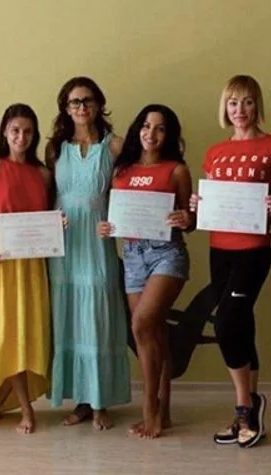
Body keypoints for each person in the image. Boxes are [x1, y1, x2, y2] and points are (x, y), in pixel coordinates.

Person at [189, 75, 271, 448]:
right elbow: (212, 203)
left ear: (257, 105)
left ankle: (244, 406)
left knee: (227, 322)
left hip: (254, 249)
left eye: (248, 102)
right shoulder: (214, 152)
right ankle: (252, 409)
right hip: (219, 249)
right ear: (225, 107)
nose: (240, 110)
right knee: (241, 324)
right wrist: (197, 205)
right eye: (233, 103)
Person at [97, 104, 193, 439]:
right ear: (138, 129)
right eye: (146, 126)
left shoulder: (176, 170)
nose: (151, 134)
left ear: (169, 135)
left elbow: (191, 220)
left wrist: (186, 218)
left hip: (167, 254)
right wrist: (106, 227)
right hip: (133, 255)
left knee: (140, 324)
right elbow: (115, 215)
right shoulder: (121, 171)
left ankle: (149, 408)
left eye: (160, 128)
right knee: (154, 334)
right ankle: (164, 410)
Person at [0, 103, 56, 434]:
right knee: (0, 328)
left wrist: (57, 225)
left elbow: (46, 218)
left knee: (25, 328)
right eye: (15, 130)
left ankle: (6, 400)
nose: (21, 137)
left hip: (31, 261)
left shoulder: (44, 174)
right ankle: (16, 403)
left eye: (28, 131)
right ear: (5, 131)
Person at [46, 77, 130, 430]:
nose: (81, 107)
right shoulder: (55, 149)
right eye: (74, 102)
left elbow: (130, 195)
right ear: (65, 108)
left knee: (98, 318)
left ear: (99, 104)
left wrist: (118, 223)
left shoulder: (116, 146)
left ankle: (100, 402)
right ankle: (81, 401)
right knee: (69, 319)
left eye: (87, 100)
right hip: (64, 245)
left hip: (98, 242)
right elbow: (46, 196)